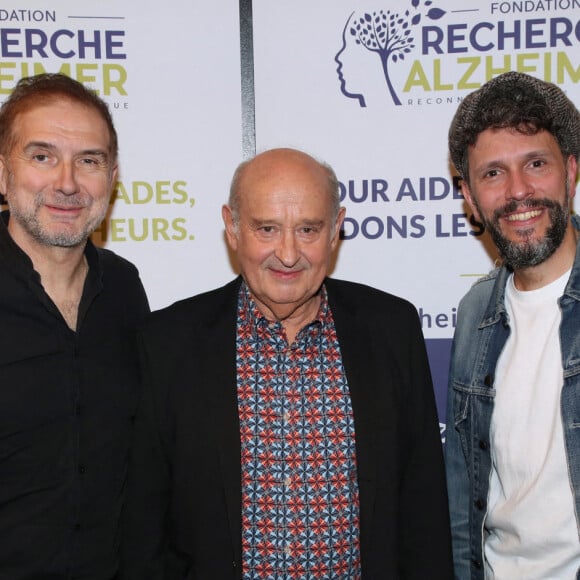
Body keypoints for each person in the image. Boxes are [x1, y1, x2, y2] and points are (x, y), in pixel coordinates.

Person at [120, 147, 453, 579]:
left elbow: (422, 508)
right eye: (267, 229)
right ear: (232, 228)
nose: (289, 253)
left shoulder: (392, 329)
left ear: (336, 230)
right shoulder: (168, 342)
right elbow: (143, 528)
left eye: (309, 229)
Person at [0, 73, 149, 578]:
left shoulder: (125, 289)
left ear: (111, 179)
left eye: (89, 160)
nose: (67, 182)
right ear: (2, 174)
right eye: (41, 156)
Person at [445, 71, 580, 579]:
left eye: (536, 164)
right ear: (470, 195)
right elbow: (464, 495)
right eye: (493, 173)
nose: (519, 192)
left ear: (570, 170)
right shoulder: (475, 312)